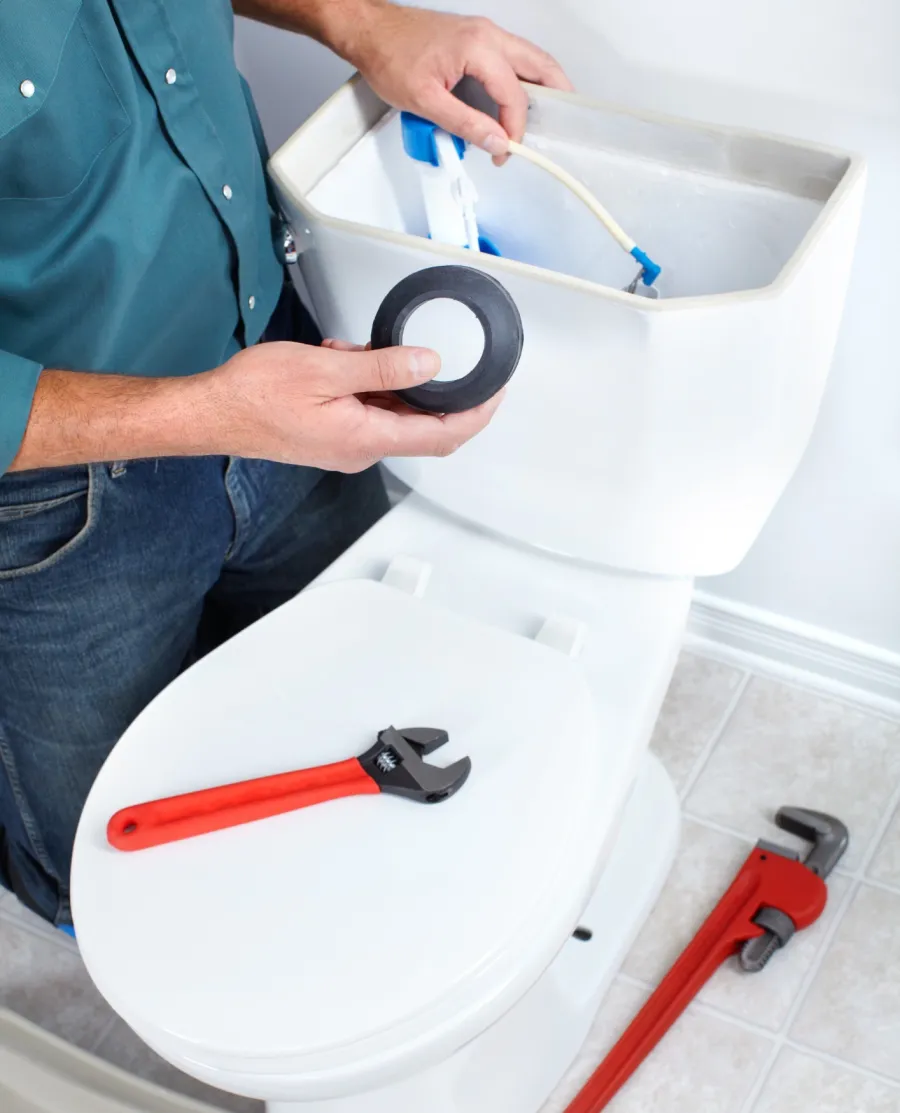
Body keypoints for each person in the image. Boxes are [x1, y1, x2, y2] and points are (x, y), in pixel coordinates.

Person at [0, 1, 572, 929]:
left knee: (349, 696)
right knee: (106, 864)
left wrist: (355, 22)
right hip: (57, 499)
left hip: (281, 351)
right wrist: (206, 412)